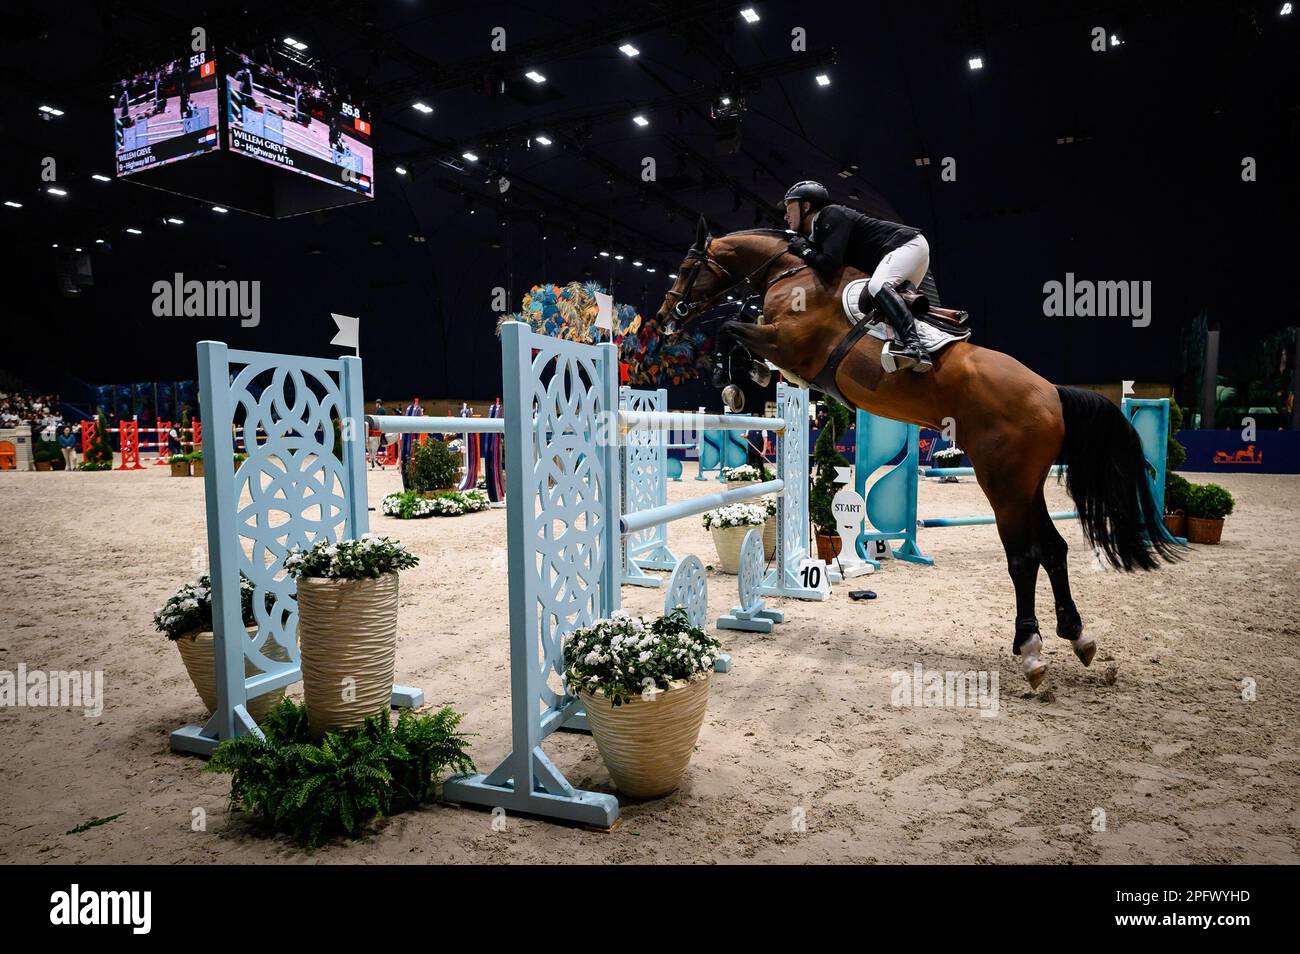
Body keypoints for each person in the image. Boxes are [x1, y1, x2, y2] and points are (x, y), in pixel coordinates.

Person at [782, 180, 933, 372]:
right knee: (886, 305)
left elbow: (829, 264)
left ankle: (915, 347)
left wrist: (804, 250)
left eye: (789, 207)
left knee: (877, 286)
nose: (786, 215)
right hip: (908, 250)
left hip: (906, 245)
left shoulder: (830, 214)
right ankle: (921, 346)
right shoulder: (818, 232)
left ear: (806, 206)